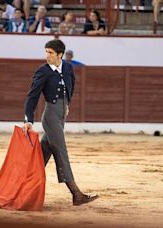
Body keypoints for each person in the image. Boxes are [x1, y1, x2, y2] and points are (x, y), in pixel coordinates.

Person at [23, 39, 99, 206]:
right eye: (46, 52)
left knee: (43, 154)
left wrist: (67, 105)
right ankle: (76, 194)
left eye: (50, 53)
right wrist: (28, 119)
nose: (47, 56)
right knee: (61, 152)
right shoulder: (43, 71)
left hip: (61, 115)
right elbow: (32, 96)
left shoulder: (67, 67)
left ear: (59, 54)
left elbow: (71, 86)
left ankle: (23, 188)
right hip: (50, 116)